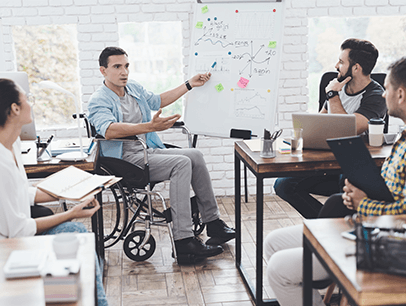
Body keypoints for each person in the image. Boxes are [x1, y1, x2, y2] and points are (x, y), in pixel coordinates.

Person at [264, 56, 406, 306]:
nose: (385, 96)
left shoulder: (371, 96)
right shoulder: (402, 139)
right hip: (366, 222)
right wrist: (360, 193)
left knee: (279, 268)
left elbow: (402, 214)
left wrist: (363, 203)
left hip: (387, 241)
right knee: (273, 241)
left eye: (388, 90)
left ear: (401, 95)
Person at [87, 46, 235, 263]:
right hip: (123, 161)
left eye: (126, 66)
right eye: (117, 67)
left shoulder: (133, 88)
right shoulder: (99, 99)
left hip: (146, 152)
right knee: (182, 164)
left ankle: (213, 223)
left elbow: (158, 101)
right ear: (103, 70)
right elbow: (108, 130)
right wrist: (149, 126)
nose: (124, 72)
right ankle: (184, 241)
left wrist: (189, 84)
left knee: (195, 155)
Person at [0, 78, 108, 306]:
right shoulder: (1, 164)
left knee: (80, 239)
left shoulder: (13, 144)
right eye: (28, 99)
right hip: (9, 246)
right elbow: (19, 231)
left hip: (19, 233)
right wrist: (71, 213)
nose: (32, 104)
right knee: (79, 235)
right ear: (14, 109)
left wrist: (72, 191)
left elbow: (24, 194)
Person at [274, 38, 387, 219]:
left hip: (355, 169)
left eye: (341, 62)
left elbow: (348, 131)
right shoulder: (338, 86)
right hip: (328, 162)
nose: (336, 66)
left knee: (345, 181)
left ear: (356, 68)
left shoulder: (376, 96)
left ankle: (332, 227)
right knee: (284, 185)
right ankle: (326, 224)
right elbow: (320, 122)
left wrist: (333, 95)